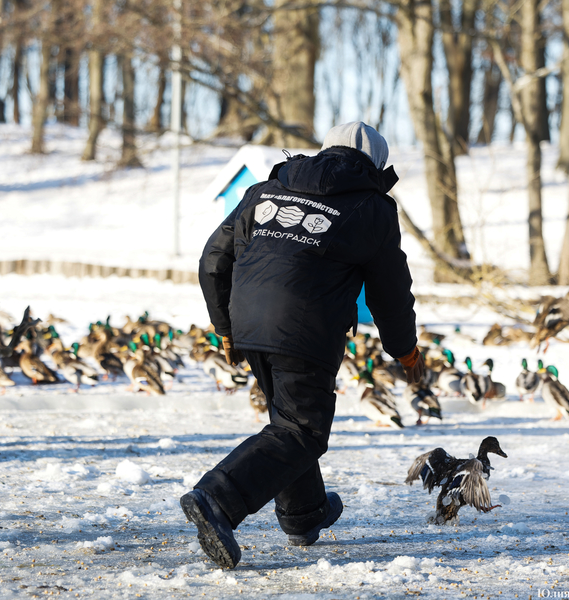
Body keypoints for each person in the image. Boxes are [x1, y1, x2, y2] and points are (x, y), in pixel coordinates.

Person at [180, 122, 426, 570]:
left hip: (248, 320)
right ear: (376, 166)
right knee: (301, 431)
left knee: (287, 420)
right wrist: (405, 350)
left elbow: (213, 259)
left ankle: (303, 513)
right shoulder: (373, 208)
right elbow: (389, 293)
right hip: (304, 328)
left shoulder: (265, 191)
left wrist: (225, 324)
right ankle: (218, 498)